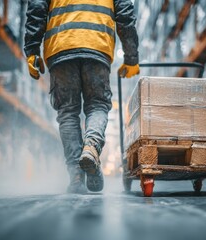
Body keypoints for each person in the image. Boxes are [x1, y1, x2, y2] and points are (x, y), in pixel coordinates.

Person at [24, 0, 139, 193]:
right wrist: (131, 57)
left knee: (67, 112)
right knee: (97, 106)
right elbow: (125, 12)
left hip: (60, 45)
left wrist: (32, 49)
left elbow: (36, 6)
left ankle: (76, 176)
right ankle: (91, 148)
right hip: (97, 44)